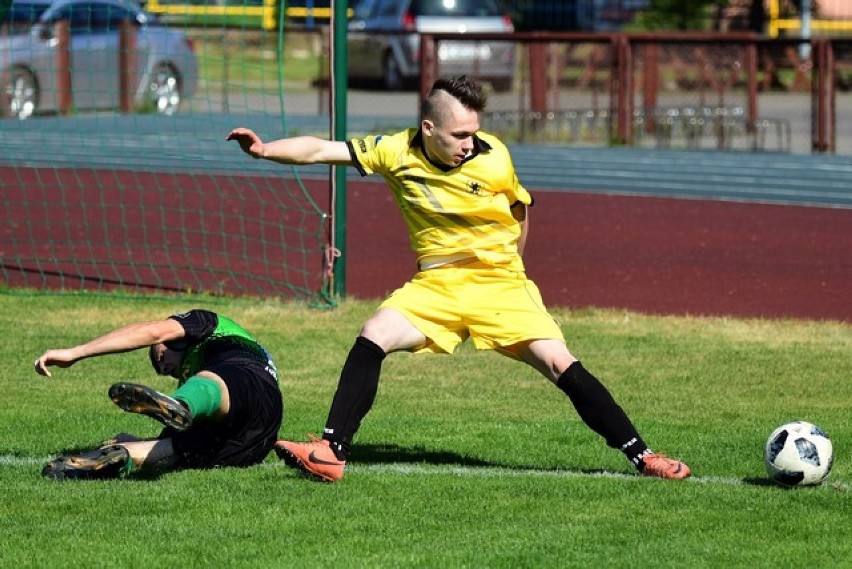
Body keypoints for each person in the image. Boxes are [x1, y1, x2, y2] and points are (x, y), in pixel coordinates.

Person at [227, 75, 690, 482]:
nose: (470, 141)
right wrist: (266, 150)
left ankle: (643, 456)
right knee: (374, 334)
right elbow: (322, 149)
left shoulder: (495, 158)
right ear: (428, 129)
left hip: (500, 283)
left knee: (557, 362)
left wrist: (513, 270)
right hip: (437, 286)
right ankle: (331, 452)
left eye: (474, 132)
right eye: (460, 133)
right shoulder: (394, 151)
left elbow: (519, 210)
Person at [34, 309, 282, 480]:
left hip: (250, 382)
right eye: (161, 370)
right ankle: (124, 454)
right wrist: (136, 439)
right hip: (252, 444)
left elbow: (153, 332)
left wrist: (75, 352)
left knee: (207, 386)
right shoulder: (193, 384)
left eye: (158, 356)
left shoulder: (208, 325)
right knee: (180, 447)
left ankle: (182, 405)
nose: (162, 367)